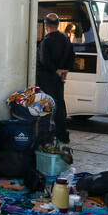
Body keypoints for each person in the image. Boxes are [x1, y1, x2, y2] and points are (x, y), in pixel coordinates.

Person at [36, 13, 75, 144]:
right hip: (59, 79)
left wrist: (56, 70)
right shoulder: (65, 38)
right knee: (59, 104)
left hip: (46, 78)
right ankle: (62, 133)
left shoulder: (46, 41)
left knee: (48, 106)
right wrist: (65, 71)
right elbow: (72, 56)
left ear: (46, 25)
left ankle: (48, 133)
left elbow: (44, 61)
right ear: (58, 25)